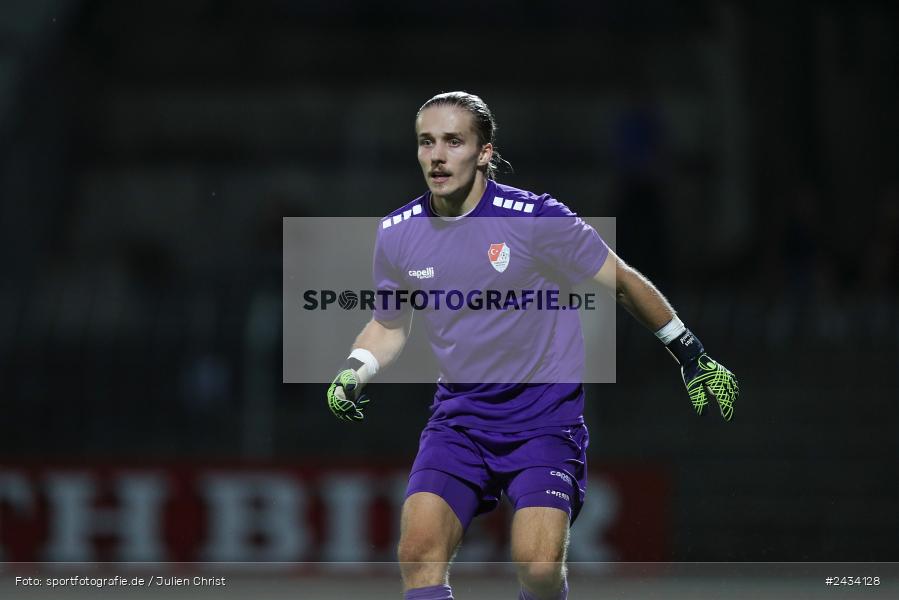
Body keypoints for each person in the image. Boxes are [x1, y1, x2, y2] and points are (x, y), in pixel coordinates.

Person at [326, 91, 739, 600]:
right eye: (426, 142)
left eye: (453, 141)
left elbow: (624, 282)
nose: (437, 155)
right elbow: (389, 326)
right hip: (459, 423)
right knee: (417, 553)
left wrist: (690, 354)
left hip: (543, 423)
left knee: (540, 569)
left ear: (484, 152)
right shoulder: (396, 234)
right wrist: (355, 369)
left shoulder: (535, 219)